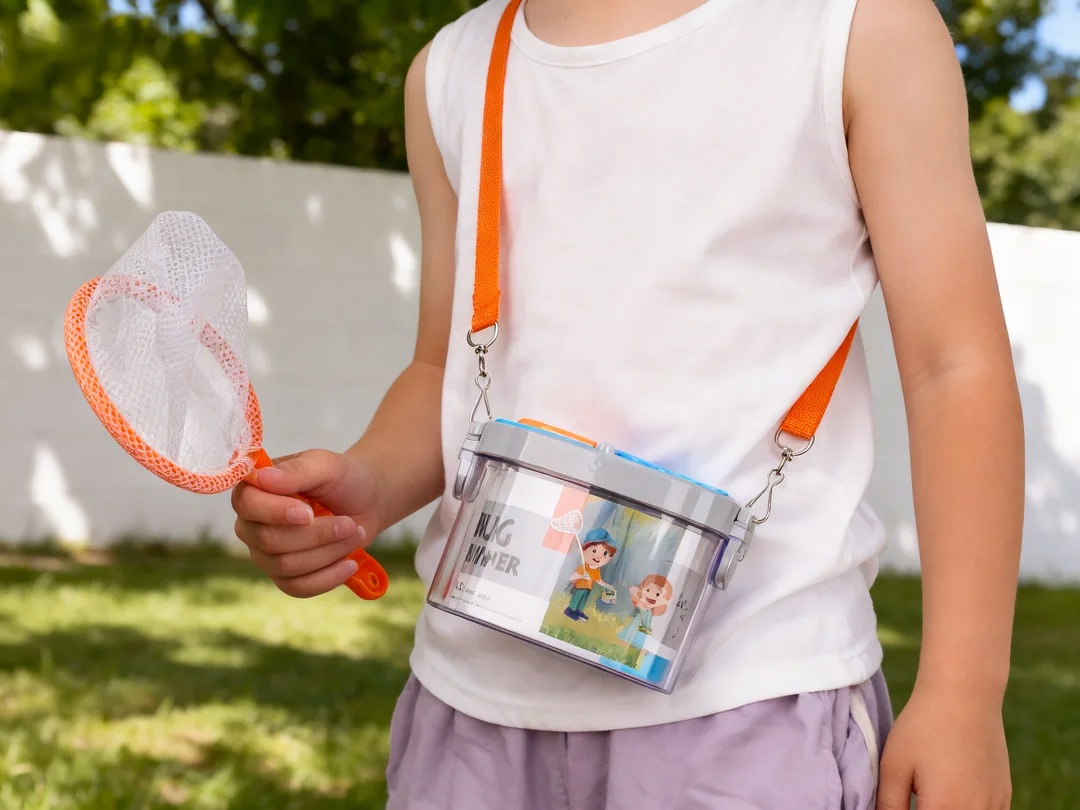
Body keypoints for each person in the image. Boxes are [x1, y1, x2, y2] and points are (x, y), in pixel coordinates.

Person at [230, 0, 1024, 807]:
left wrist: (963, 695)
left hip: (748, 699)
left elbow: (953, 366)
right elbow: (448, 367)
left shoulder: (856, 26)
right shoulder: (450, 70)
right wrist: (370, 482)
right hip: (473, 706)